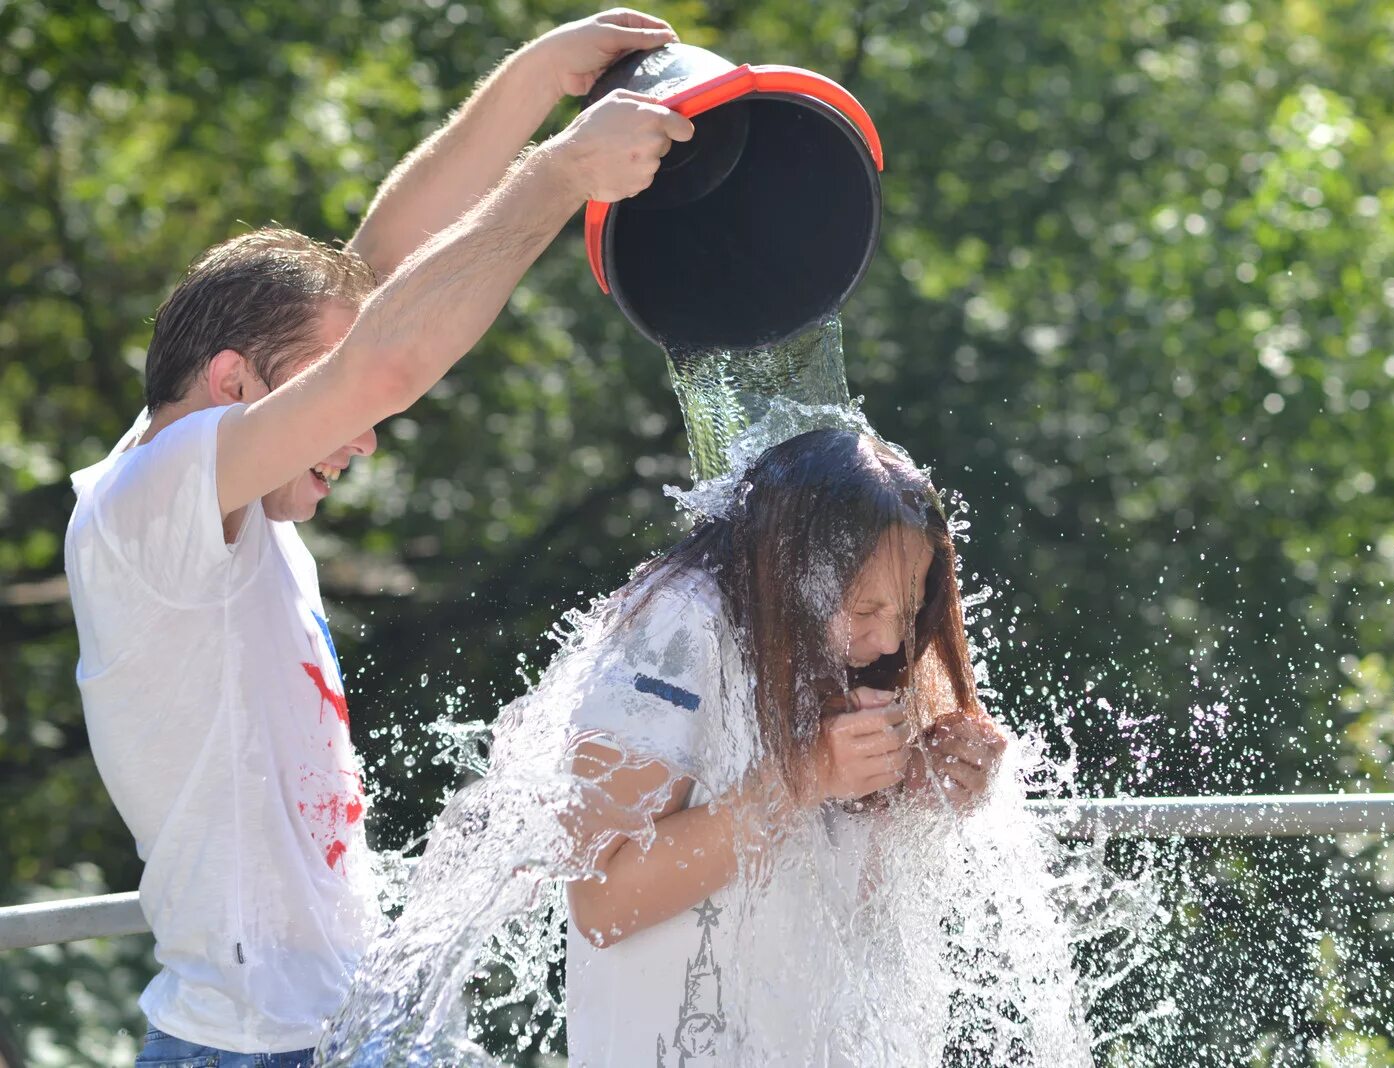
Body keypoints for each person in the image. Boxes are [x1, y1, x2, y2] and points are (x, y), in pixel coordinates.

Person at [61, 10, 695, 1065]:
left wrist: (538, 73)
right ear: (231, 385)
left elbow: (383, 273)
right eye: (329, 408)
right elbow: (384, 365)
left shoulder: (214, 465)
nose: (360, 441)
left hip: (357, 1020)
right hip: (253, 1049)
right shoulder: (149, 501)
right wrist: (554, 180)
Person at [557, 428, 1009, 1066]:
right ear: (792, 567)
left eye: (907, 613)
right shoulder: (672, 631)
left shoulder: (852, 654)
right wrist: (804, 778)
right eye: (864, 609)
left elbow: (850, 908)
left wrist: (927, 786)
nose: (888, 641)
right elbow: (601, 900)